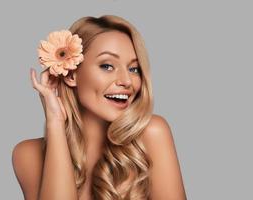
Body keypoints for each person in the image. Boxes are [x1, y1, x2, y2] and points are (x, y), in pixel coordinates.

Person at [12, 15, 187, 200]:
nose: (127, 81)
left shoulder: (152, 134)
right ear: (71, 76)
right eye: (107, 66)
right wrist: (55, 121)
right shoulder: (28, 154)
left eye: (134, 69)